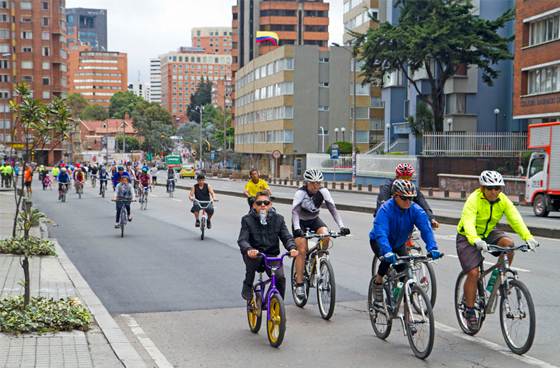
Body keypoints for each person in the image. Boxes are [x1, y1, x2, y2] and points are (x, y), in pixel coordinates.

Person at [456, 170, 538, 332]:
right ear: (482, 188)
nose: (494, 191)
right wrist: (475, 240)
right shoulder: (474, 199)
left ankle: (496, 278)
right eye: (490, 188)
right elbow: (469, 221)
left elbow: (515, 217)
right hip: (468, 235)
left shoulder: (502, 200)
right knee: (473, 273)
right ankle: (470, 310)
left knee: (509, 245)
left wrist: (528, 237)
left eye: (497, 188)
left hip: (487, 233)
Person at [369, 179, 442, 302]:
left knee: (405, 276)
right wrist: (387, 251)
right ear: (395, 196)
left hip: (399, 244)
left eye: (411, 198)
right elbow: (381, 232)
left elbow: (426, 229)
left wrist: (432, 247)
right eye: (404, 198)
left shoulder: (415, 210)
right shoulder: (386, 209)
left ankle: (404, 307)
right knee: (386, 261)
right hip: (379, 241)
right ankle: (378, 283)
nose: (408, 201)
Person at [291, 168, 351, 298]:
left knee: (326, 236)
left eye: (318, 183)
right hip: (300, 222)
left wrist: (342, 227)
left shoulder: (323, 192)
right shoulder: (300, 193)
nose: (315, 186)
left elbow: (333, 210)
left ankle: (320, 261)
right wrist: (296, 228)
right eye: (312, 183)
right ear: (306, 183)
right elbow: (295, 212)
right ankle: (300, 284)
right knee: (301, 251)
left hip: (314, 220)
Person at [238, 191, 299, 300]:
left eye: (266, 203)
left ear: (270, 205)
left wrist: (292, 247)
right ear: (254, 205)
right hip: (254, 254)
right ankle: (248, 284)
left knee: (280, 278)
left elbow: (286, 236)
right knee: (253, 260)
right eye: (259, 203)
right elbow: (242, 239)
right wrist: (249, 249)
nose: (263, 205)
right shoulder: (247, 220)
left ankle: (278, 306)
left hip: (271, 255)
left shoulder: (278, 219)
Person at [375, 163, 438, 228]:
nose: (404, 180)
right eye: (402, 178)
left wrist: (431, 219)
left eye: (407, 178)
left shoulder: (412, 188)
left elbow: (423, 204)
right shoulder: (389, 187)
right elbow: (382, 204)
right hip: (390, 218)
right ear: (397, 177)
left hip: (405, 218)